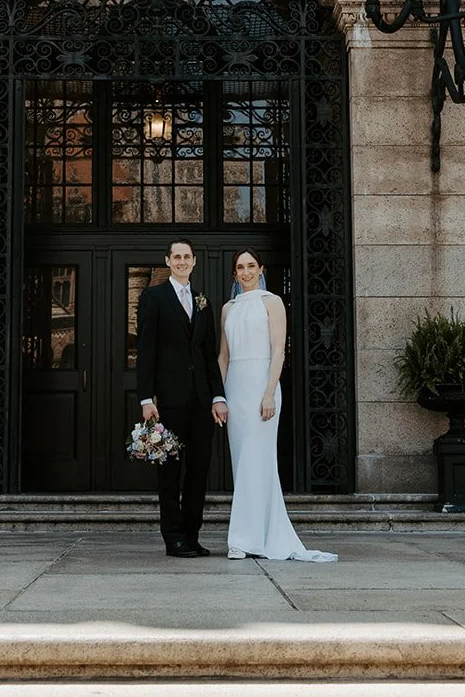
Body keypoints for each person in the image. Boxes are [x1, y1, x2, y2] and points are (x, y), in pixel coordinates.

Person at [219, 247, 337, 562]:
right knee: (241, 462)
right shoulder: (227, 309)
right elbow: (223, 356)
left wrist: (269, 391)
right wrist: (221, 395)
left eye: (251, 266)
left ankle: (243, 539)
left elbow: (278, 351)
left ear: (261, 269)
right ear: (235, 273)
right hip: (235, 389)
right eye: (240, 267)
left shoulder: (272, 302)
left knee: (259, 461)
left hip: (262, 386)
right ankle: (249, 535)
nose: (245, 272)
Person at [136, 239, 227, 558]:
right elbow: (145, 350)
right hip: (168, 402)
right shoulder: (153, 296)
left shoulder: (203, 300)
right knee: (170, 471)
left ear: (194, 261)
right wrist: (146, 397)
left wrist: (218, 395)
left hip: (202, 401)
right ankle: (173, 538)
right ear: (168, 260)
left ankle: (191, 534)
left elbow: (208, 353)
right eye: (177, 257)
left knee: (199, 469)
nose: (182, 261)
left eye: (187, 257)